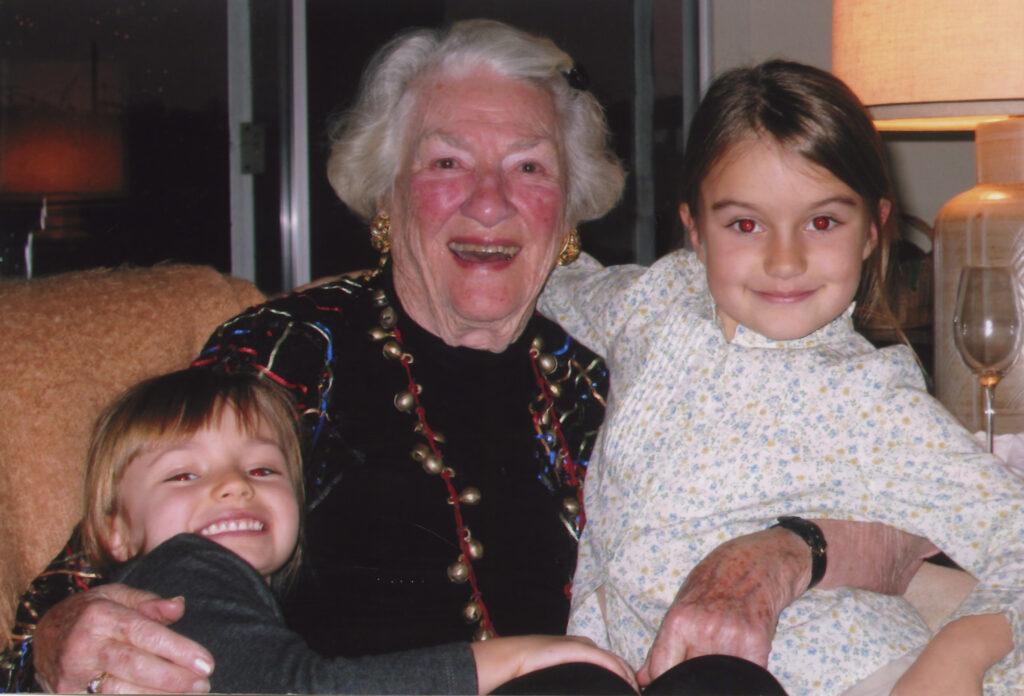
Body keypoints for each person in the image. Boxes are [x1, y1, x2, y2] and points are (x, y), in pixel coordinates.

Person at [5, 21, 940, 695]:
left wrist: (784, 551)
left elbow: (907, 515)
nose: (489, 203)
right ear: (387, 191)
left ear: (570, 209)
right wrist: (56, 640)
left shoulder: (624, 355)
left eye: (529, 167)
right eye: (448, 163)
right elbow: (103, 561)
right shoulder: (297, 348)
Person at [538, 59, 1024, 695]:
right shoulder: (650, 302)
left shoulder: (873, 399)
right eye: (745, 224)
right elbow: (549, 275)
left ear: (874, 231)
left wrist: (957, 653)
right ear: (695, 231)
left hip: (856, 675)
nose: (785, 260)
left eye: (823, 222)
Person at [77, 368, 637, 694]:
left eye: (262, 469)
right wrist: (512, 659)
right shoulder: (184, 572)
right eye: (183, 474)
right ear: (116, 531)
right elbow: (299, 691)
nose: (234, 487)